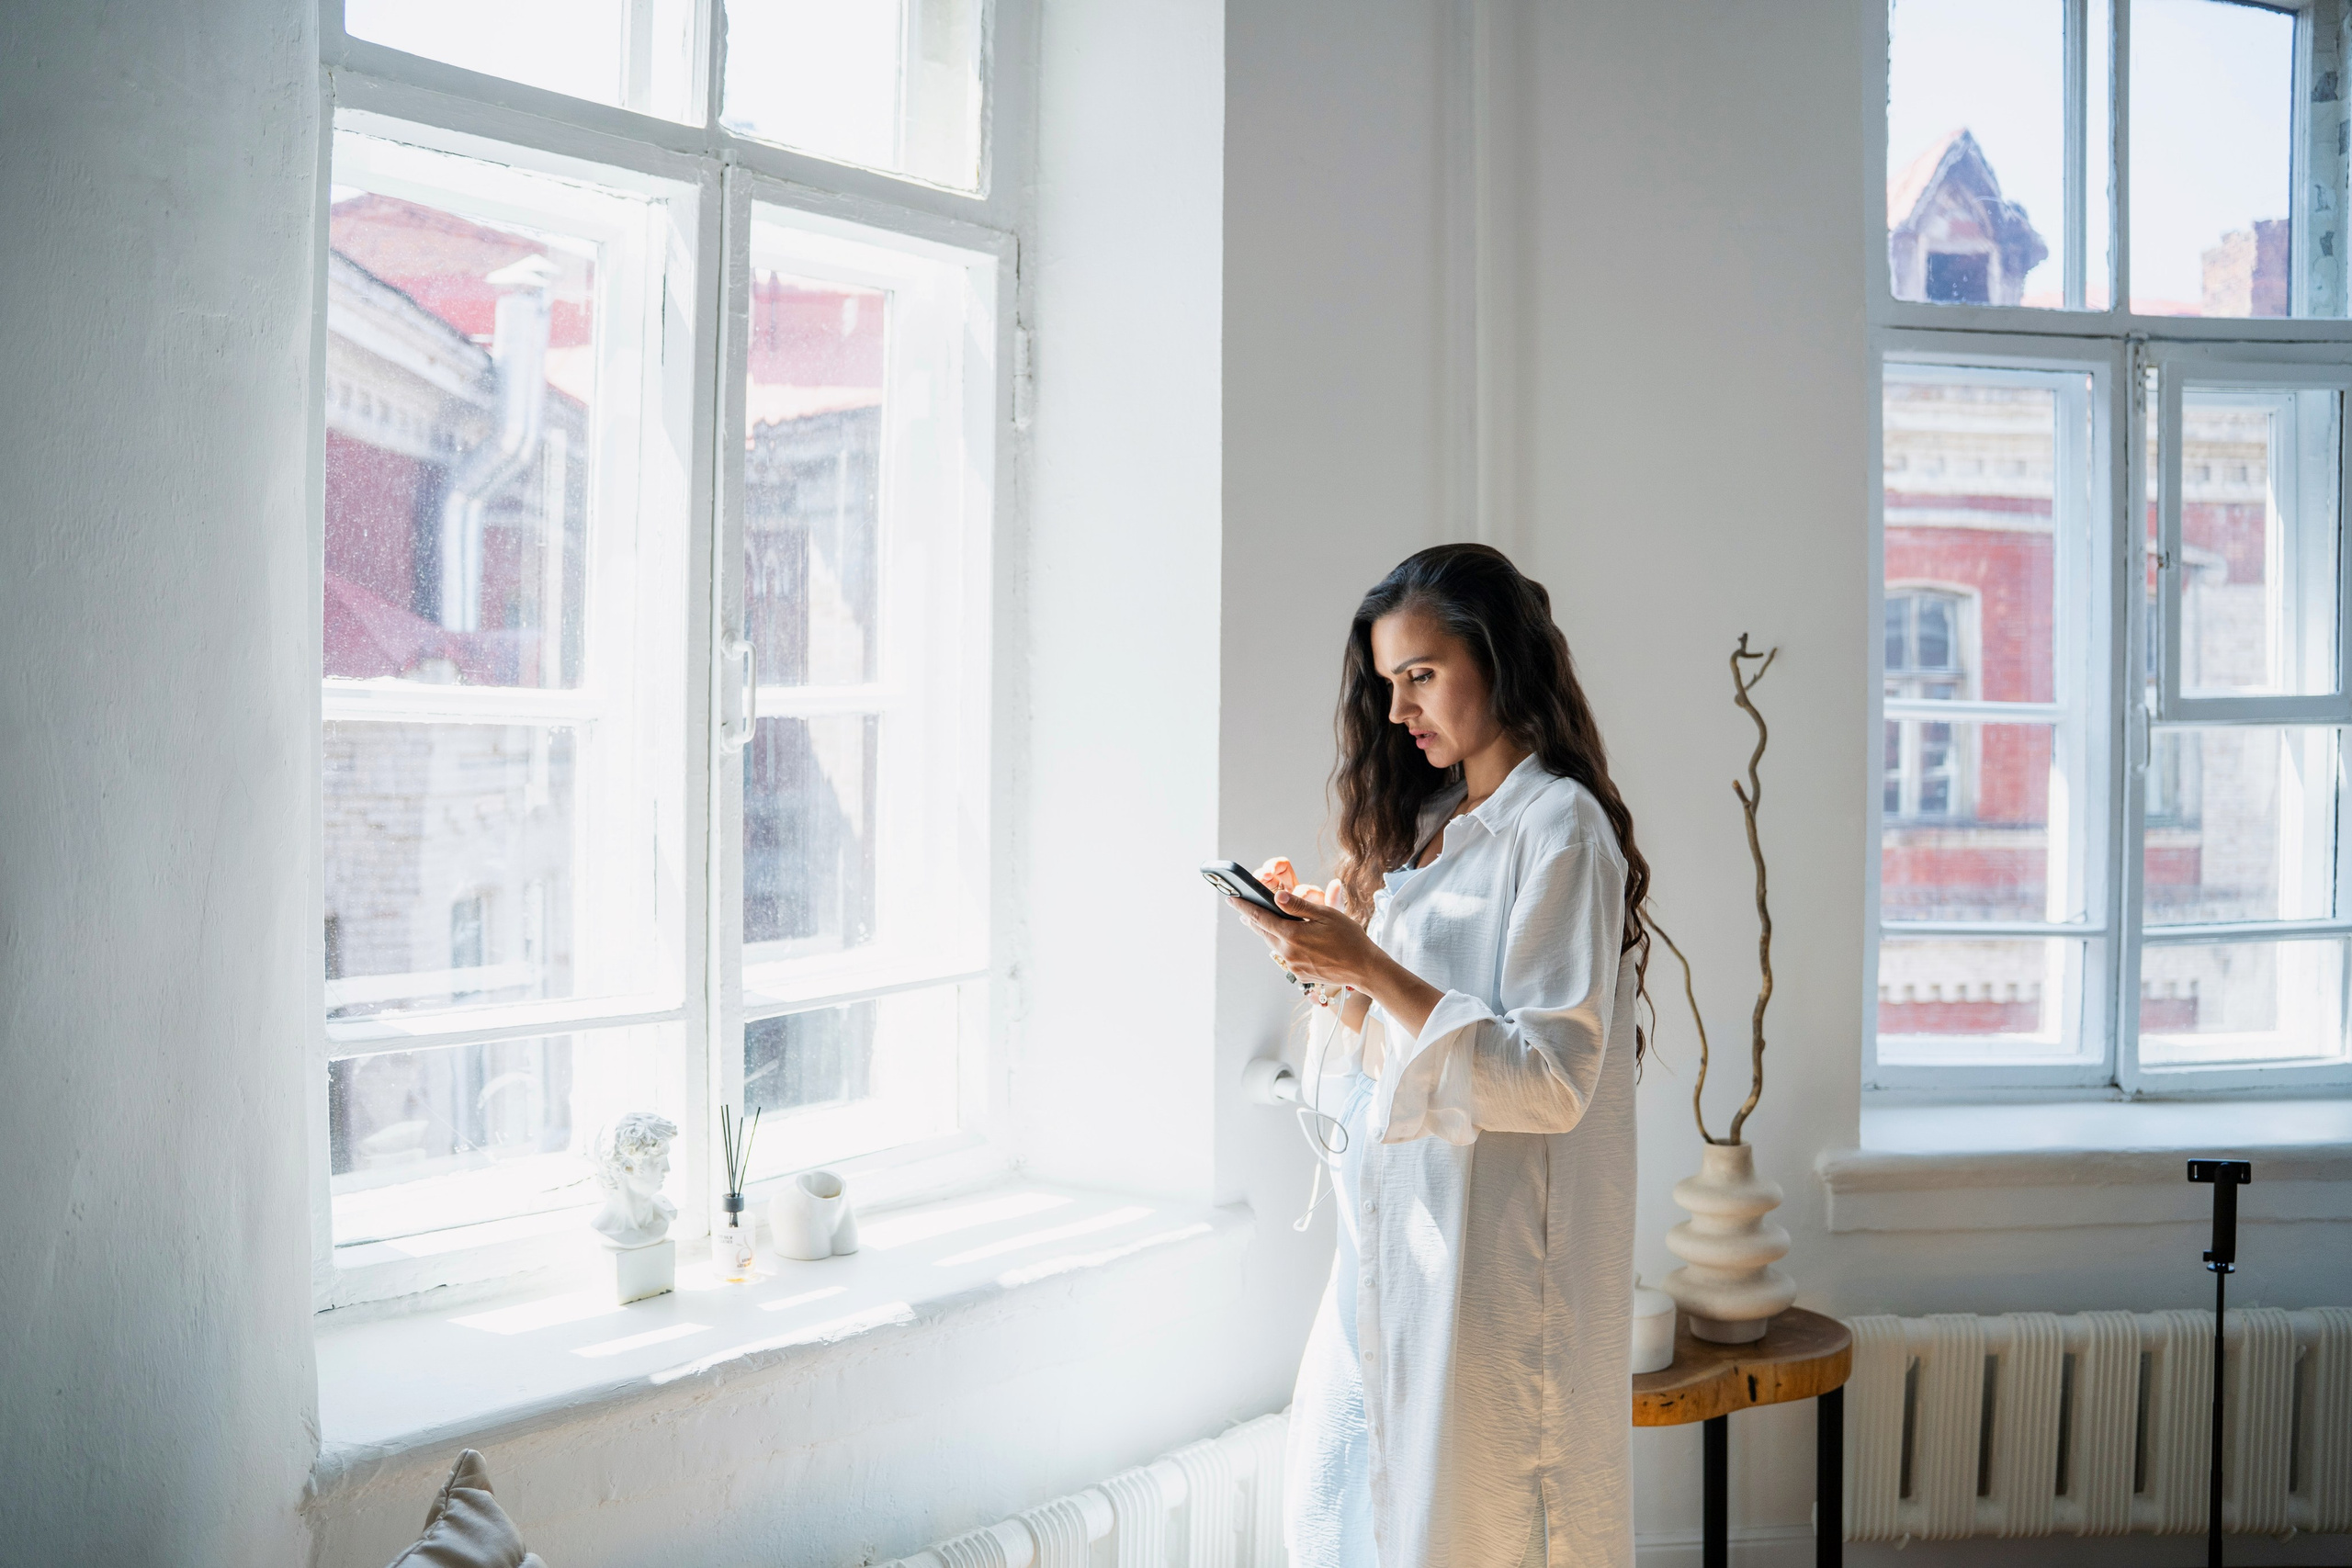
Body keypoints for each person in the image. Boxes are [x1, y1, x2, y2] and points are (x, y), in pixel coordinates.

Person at [1230, 543, 1651, 1568]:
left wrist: (1371, 965)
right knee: (1342, 1507)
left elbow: (1549, 1079)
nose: (1397, 709)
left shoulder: (1561, 832)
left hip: (1495, 1271)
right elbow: (1409, 1040)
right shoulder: (1432, 826)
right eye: (1386, 683)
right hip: (1392, 1250)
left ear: (1497, 659)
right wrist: (1324, 961)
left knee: (1476, 1529)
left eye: (1419, 675)